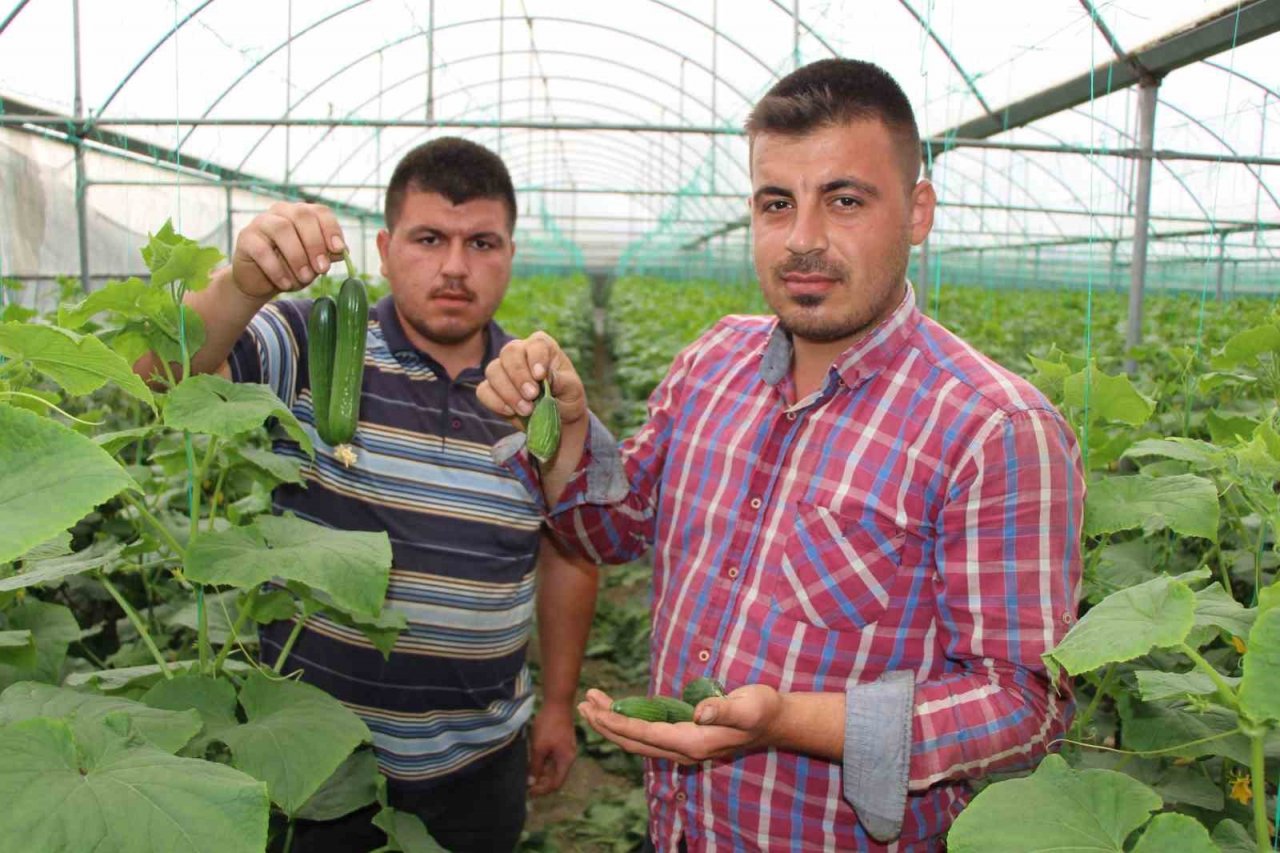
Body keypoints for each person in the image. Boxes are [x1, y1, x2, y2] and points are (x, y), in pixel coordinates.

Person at [477, 59, 1085, 851]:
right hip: (683, 827)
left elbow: (1025, 701)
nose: (803, 240)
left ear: (918, 210)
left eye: (844, 200)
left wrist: (788, 721)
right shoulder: (712, 361)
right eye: (776, 202)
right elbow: (614, 530)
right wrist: (563, 435)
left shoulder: (996, 428)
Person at [135, 137, 599, 852]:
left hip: (481, 761)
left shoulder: (534, 389)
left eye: (481, 242)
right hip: (319, 769)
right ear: (383, 249)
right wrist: (243, 285)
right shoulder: (311, 342)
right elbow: (155, 373)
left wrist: (560, 704)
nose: (453, 265)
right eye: (428, 238)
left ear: (510, 252)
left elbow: (572, 552)